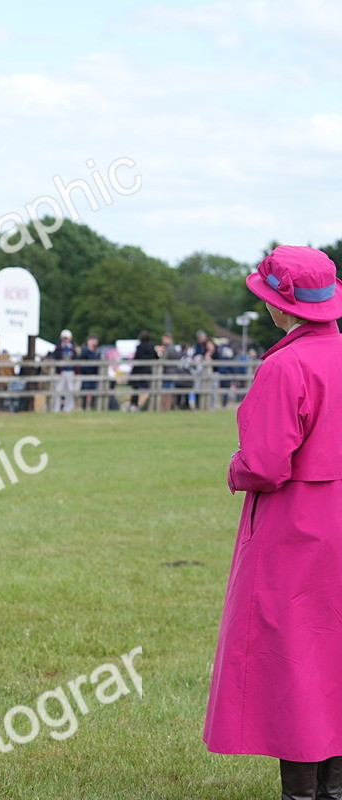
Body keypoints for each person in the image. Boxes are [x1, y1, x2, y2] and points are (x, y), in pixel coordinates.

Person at [204, 245, 342, 800]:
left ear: (281, 307)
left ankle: (303, 794)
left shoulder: (286, 365)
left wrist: (235, 468)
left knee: (295, 659)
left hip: (295, 529)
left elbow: (263, 463)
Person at [49, 329, 78, 412]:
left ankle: (68, 408)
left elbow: (76, 359)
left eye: (67, 338)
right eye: (64, 338)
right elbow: (55, 358)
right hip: (60, 372)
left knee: (70, 390)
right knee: (58, 390)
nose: (65, 340)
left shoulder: (72, 348)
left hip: (70, 371)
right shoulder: (58, 347)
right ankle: (56, 408)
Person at [128, 330, 158, 411]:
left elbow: (136, 359)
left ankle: (133, 405)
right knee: (151, 389)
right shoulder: (152, 346)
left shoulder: (140, 347)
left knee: (135, 389)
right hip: (148, 371)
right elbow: (156, 357)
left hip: (139, 370)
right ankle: (148, 405)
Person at [77, 333, 100, 410]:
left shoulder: (97, 352)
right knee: (84, 393)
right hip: (86, 374)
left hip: (94, 375)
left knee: (93, 392)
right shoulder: (85, 351)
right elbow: (80, 361)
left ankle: (92, 407)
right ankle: (83, 408)